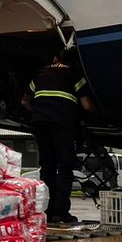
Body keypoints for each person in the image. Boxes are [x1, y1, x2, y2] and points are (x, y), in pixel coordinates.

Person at [22, 50, 93, 225]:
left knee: (47, 166)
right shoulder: (73, 72)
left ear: (54, 58)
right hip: (63, 124)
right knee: (65, 166)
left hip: (41, 123)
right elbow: (86, 104)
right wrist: (99, 114)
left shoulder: (40, 73)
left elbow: (24, 101)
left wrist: (40, 113)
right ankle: (61, 212)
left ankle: (47, 210)